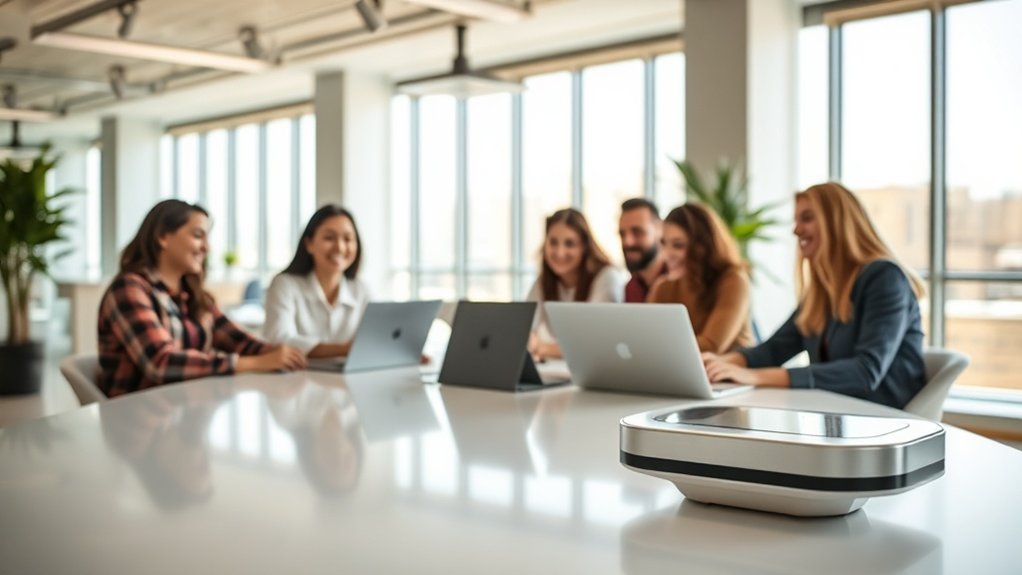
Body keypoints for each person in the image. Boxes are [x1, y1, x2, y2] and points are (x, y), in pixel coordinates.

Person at [702, 182, 926, 408]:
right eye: (796, 220)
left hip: (885, 422)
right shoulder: (823, 292)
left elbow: (865, 372)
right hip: (837, 416)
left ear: (837, 224)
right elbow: (775, 348)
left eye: (807, 218)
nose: (796, 230)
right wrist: (720, 363)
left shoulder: (884, 278)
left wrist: (756, 376)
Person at [97, 200, 306, 398]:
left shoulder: (193, 295)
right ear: (163, 236)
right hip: (134, 420)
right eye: (198, 235)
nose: (207, 248)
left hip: (185, 412)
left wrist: (278, 353)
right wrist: (255, 363)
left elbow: (237, 340)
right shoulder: (129, 289)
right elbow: (160, 363)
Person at [263, 205, 370, 359]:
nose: (340, 247)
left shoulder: (362, 290)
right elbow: (279, 340)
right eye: (329, 238)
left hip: (347, 380)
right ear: (309, 244)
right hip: (294, 380)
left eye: (347, 239)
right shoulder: (284, 285)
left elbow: (373, 342)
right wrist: (344, 349)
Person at [647, 203, 754, 353]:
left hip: (731, 373)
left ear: (703, 246)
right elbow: (647, 337)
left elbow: (711, 346)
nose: (666, 254)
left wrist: (650, 349)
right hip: (683, 371)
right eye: (664, 244)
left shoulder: (733, 280)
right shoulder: (663, 286)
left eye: (678, 245)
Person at [526, 208, 627, 359]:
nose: (560, 252)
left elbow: (596, 343)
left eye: (570, 244)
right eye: (553, 242)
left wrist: (544, 348)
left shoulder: (607, 277)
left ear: (584, 247)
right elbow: (526, 328)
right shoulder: (544, 281)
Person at [619, 198, 668, 303]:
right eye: (622, 234)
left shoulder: (677, 281)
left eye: (637, 232)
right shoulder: (631, 287)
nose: (627, 242)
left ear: (660, 230)